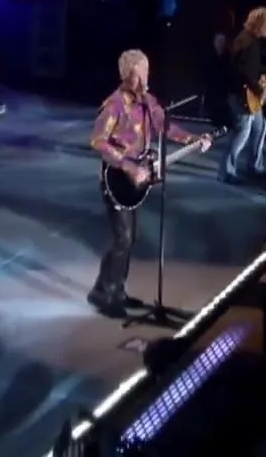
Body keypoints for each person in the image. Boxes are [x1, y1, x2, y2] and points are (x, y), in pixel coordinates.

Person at [89, 49, 213, 317]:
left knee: (129, 237)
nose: (146, 78)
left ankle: (111, 289)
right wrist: (128, 165)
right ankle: (106, 294)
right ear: (127, 75)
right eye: (140, 73)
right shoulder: (114, 105)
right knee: (123, 238)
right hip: (116, 179)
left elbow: (164, 126)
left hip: (136, 180)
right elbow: (98, 141)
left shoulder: (148, 101)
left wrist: (192, 139)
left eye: (147, 71)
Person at [220, 6, 266, 184]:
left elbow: (251, 68)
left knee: (260, 127)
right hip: (242, 95)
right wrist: (260, 89)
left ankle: (254, 168)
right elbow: (244, 73)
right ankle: (227, 172)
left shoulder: (248, 40)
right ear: (261, 23)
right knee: (242, 132)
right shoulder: (248, 42)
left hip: (248, 94)